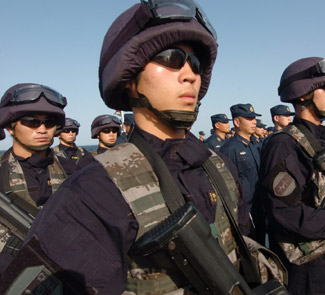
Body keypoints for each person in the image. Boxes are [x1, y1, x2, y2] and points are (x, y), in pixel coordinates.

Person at [1, 2, 286, 294]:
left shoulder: (216, 166)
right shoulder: (94, 190)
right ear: (129, 80)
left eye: (195, 64)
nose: (190, 74)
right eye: (171, 58)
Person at [259, 56, 325, 295]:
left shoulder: (320, 139)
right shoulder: (285, 144)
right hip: (308, 266)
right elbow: (285, 212)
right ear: (303, 94)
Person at [0, 83, 67, 273]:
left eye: (50, 122)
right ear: (10, 127)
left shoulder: (73, 169)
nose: (42, 129)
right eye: (31, 121)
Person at [220, 103, 261, 211]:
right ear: (237, 122)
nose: (254, 121)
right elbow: (226, 184)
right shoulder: (229, 149)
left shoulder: (253, 144)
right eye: (249, 118)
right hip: (246, 208)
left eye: (254, 118)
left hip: (260, 204)